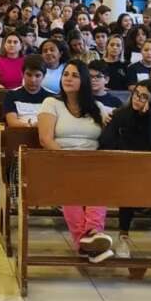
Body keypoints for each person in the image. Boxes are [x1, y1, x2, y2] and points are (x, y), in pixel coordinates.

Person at [35, 60, 113, 262]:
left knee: (102, 182)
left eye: (75, 75)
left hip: (92, 162)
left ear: (84, 81)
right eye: (66, 74)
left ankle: (91, 236)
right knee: (70, 185)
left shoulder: (97, 107)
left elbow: (108, 136)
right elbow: (45, 139)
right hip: (60, 159)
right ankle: (86, 240)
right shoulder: (51, 103)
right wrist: (69, 160)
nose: (68, 78)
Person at [99, 79, 151, 261]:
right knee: (133, 184)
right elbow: (106, 141)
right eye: (137, 94)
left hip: (149, 171)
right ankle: (124, 236)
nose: (138, 99)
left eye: (144, 97)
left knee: (149, 186)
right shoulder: (121, 114)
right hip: (122, 167)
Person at [1, 54, 54, 127]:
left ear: (44, 76)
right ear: (22, 74)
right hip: (19, 135)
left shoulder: (51, 97)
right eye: (29, 75)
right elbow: (12, 122)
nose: (33, 80)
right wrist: (30, 126)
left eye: (37, 75)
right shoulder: (11, 94)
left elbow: (53, 123)